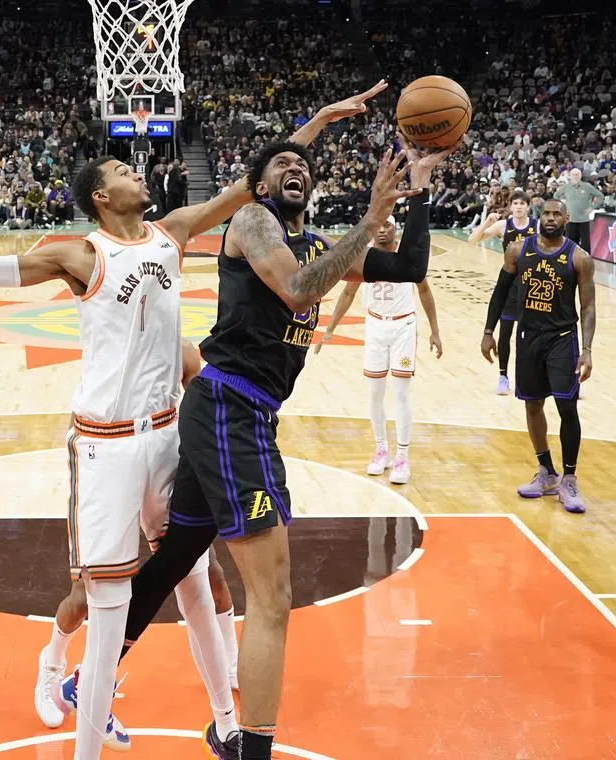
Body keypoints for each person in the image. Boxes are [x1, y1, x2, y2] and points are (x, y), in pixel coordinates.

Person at [0, 81, 391, 760]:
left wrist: (323, 120)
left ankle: (226, 724)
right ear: (102, 195)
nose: (137, 170)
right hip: (103, 450)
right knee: (100, 612)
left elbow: (261, 175)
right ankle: (74, 717)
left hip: (167, 436)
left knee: (203, 582)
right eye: (123, 169)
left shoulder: (173, 232)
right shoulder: (79, 255)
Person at [68, 140, 451, 760]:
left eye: (303, 163)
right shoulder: (250, 222)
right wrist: (373, 214)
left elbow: (408, 267)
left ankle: (87, 678)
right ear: (261, 185)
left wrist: (418, 195)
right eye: (279, 163)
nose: (294, 166)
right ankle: (249, 751)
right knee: (273, 597)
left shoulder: (322, 247)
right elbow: (299, 291)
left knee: (173, 561)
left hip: (237, 415)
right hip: (229, 409)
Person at [33, 339, 242, 731]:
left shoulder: (178, 349)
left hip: (162, 453)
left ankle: (226, 720)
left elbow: (199, 402)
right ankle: (53, 664)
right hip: (111, 460)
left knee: (201, 577)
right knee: (86, 598)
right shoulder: (110, 352)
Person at [481, 199, 596, 513]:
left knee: (566, 406)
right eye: (545, 213)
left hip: (562, 340)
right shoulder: (517, 251)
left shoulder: (579, 258)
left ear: (566, 218)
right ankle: (546, 472)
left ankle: (569, 478)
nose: (550, 218)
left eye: (556, 213)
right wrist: (489, 331)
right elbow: (500, 292)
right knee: (532, 404)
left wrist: (586, 350)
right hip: (527, 337)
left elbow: (587, 307)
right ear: (538, 217)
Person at [315, 214, 442, 484]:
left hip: (403, 327)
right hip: (375, 326)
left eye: (389, 226)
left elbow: (425, 291)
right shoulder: (364, 259)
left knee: (401, 393)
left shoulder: (408, 258)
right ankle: (381, 449)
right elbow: (348, 293)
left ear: (397, 231)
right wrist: (329, 328)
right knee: (374, 393)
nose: (383, 230)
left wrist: (435, 331)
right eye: (379, 226)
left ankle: (403, 456)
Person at [469, 191, 537, 394]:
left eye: (522, 204)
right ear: (510, 206)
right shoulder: (503, 226)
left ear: (527, 207)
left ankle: (532, 376)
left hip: (532, 284)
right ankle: (503, 376)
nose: (518, 207)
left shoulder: (538, 226)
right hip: (511, 283)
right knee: (505, 333)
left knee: (532, 335)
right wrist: (485, 221)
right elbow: (473, 239)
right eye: (515, 203)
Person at [554, 168, 603, 252]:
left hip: (584, 219)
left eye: (577, 174)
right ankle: (571, 259)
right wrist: (562, 206)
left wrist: (592, 207)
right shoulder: (566, 187)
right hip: (570, 219)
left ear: (580, 176)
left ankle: (586, 260)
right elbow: (556, 195)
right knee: (571, 242)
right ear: (570, 176)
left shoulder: (587, 186)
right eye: (573, 174)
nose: (575, 176)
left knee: (585, 243)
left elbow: (600, 196)